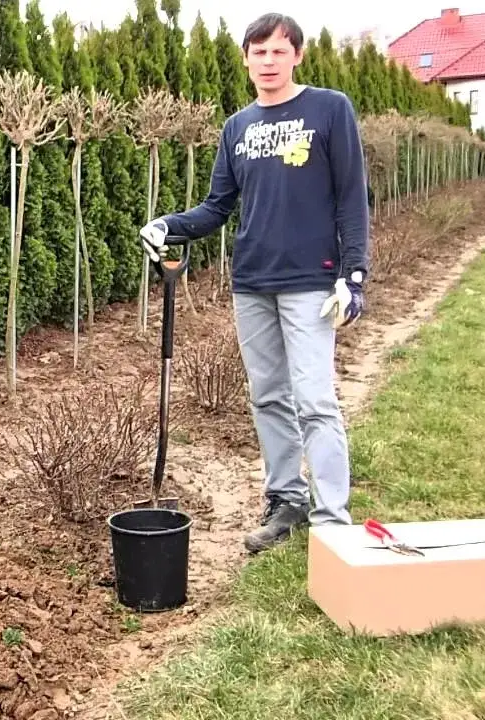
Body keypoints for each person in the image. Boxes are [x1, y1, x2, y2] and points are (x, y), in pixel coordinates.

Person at [139, 12, 370, 554]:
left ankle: (333, 518)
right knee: (267, 397)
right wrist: (168, 225)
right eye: (258, 52)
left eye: (278, 51)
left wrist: (354, 277)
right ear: (245, 58)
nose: (268, 61)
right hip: (252, 282)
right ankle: (285, 501)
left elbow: (352, 199)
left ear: (297, 56)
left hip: (312, 280)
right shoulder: (237, 127)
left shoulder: (329, 110)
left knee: (315, 399)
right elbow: (218, 207)